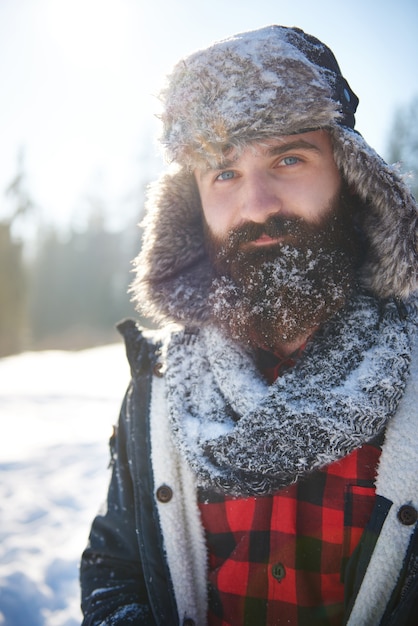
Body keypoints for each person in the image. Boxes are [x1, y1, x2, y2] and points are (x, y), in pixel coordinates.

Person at [80, 25, 418, 626]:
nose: (256, 203)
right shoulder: (159, 387)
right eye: (224, 173)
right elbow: (116, 568)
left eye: (289, 158)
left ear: (350, 175)